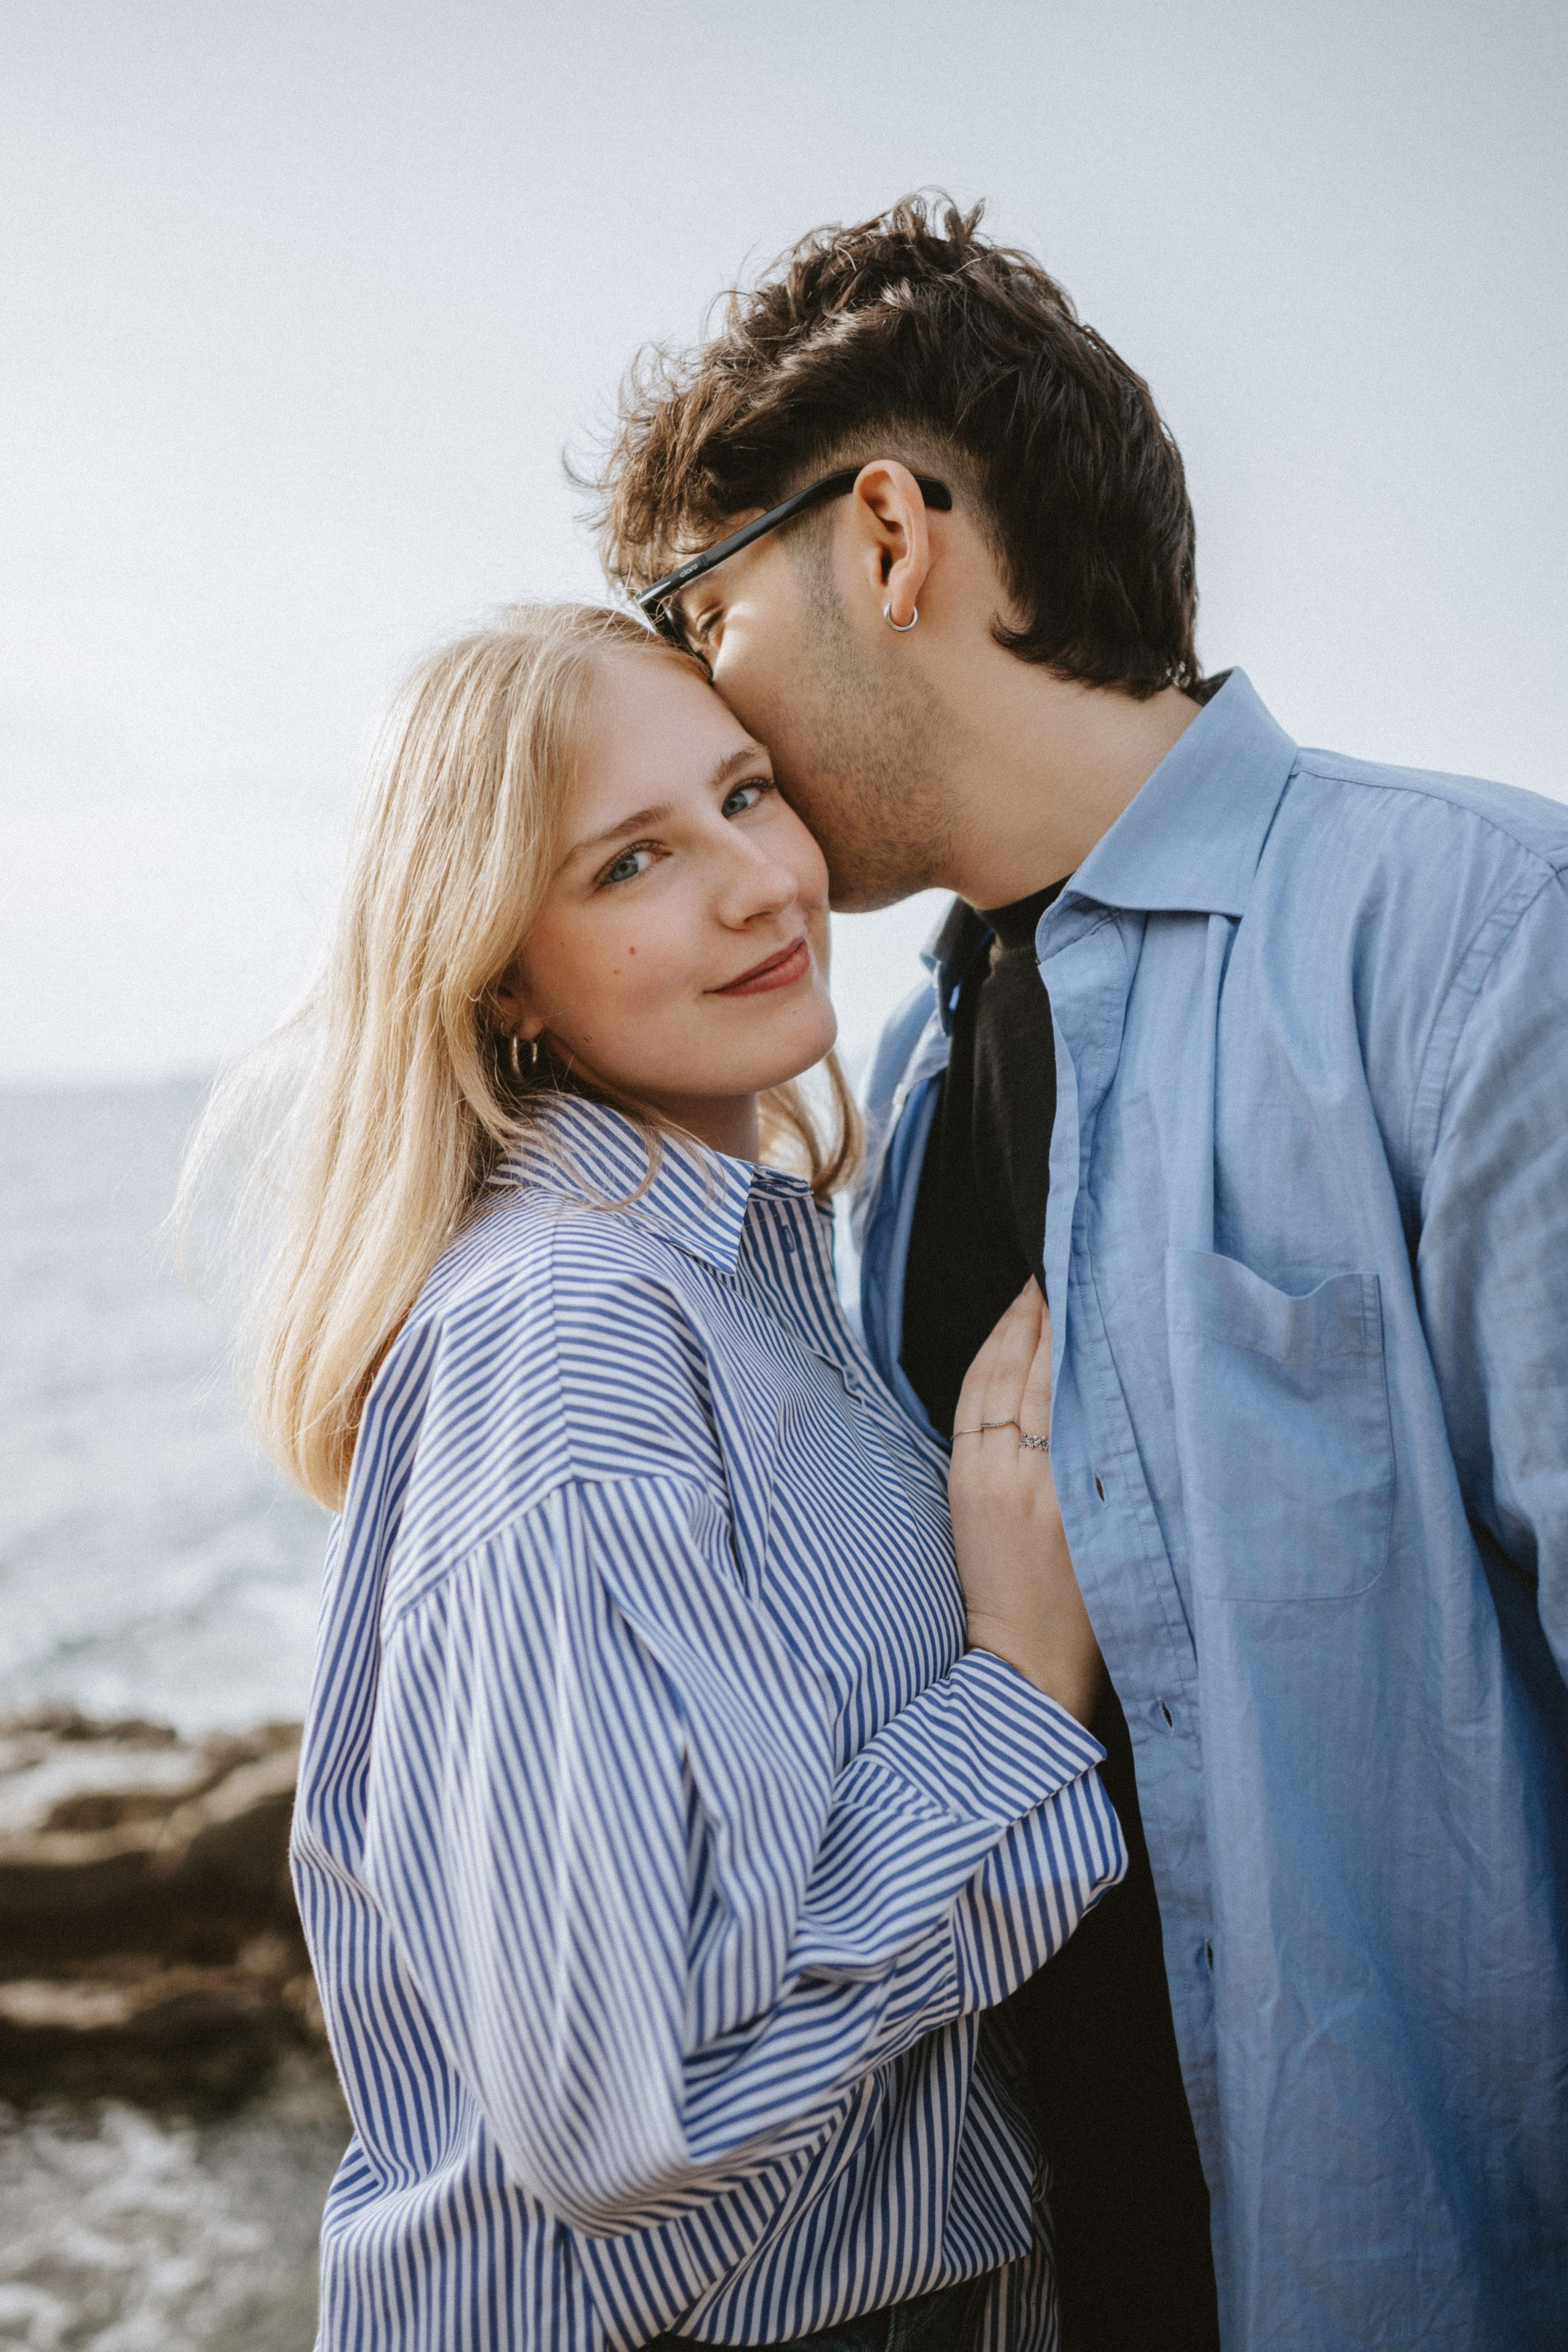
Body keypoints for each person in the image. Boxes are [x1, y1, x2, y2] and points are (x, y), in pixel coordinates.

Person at [594, 197, 1568, 2351]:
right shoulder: (918, 1071)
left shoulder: (1487, 943)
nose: (685, 701)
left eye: (695, 610)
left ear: (883, 537)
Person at [197, 602, 1127, 2351]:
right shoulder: (570, 1339)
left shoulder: (742, 1279)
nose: (761, 882)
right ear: (496, 974)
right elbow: (639, 2118)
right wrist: (1018, 1684)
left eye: (748, 794)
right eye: (632, 861)